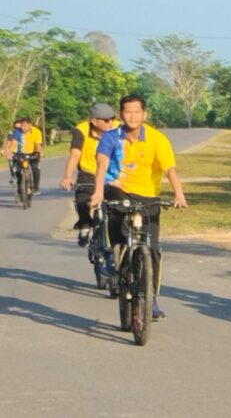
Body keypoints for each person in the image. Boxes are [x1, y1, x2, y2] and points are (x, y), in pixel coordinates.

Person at [89, 94, 187, 319]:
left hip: (148, 197)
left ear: (144, 114)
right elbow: (102, 164)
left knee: (152, 249)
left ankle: (150, 297)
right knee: (118, 230)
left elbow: (170, 169)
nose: (132, 116)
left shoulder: (157, 139)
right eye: (127, 112)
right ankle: (115, 257)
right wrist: (98, 191)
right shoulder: (111, 137)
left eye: (136, 112)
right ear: (121, 115)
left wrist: (178, 193)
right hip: (118, 189)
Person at [59, 103, 119, 246]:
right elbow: (74, 155)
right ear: (94, 121)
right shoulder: (81, 130)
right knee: (82, 200)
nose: (110, 122)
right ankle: (85, 224)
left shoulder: (118, 128)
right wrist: (67, 176)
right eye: (105, 120)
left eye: (111, 119)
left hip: (112, 173)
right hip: (89, 172)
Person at [18, 117, 43, 194]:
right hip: (21, 153)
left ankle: (36, 188)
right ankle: (18, 186)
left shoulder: (36, 131)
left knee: (35, 168)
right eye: (21, 125)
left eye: (24, 126)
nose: (22, 128)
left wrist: (37, 152)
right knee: (17, 170)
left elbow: (37, 144)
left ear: (29, 125)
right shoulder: (17, 132)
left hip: (32, 153)